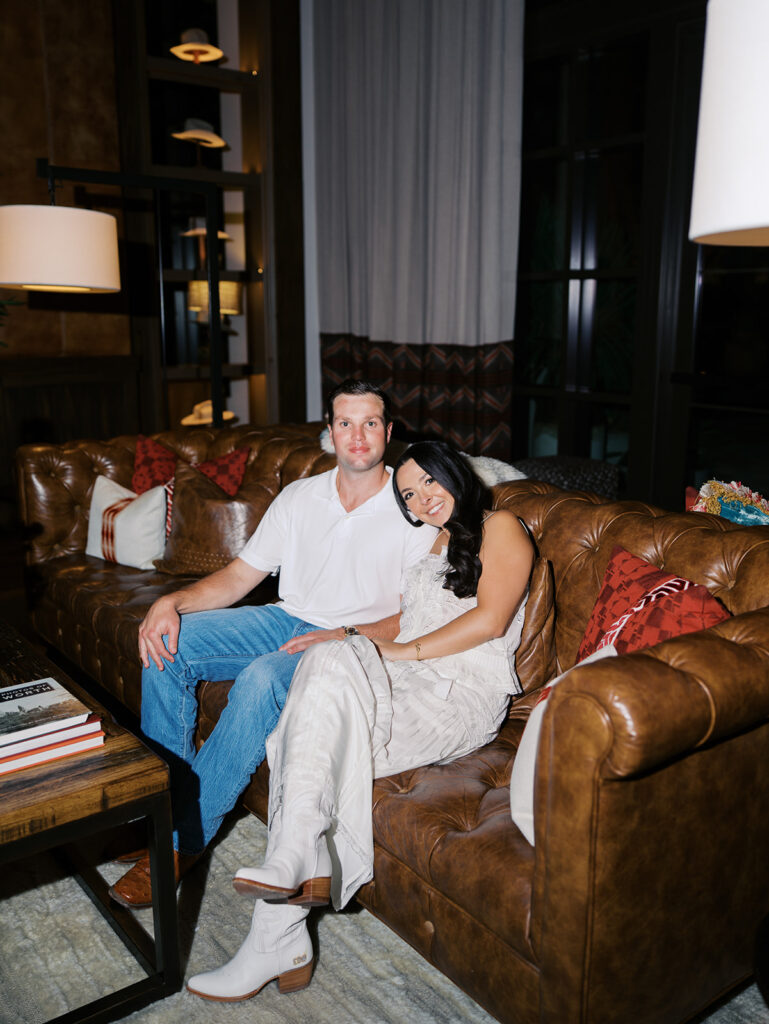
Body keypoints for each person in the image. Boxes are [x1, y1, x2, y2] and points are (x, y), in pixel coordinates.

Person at [185, 439, 535, 1002]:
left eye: (430, 483)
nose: (421, 500)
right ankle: (290, 887)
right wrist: (349, 636)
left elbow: (491, 621)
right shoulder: (435, 543)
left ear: (457, 475)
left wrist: (395, 653)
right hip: (408, 681)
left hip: (460, 694)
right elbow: (403, 619)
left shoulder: (504, 527)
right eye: (409, 494)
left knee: (297, 736)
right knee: (318, 670)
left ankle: (280, 923)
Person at [109, 380, 438, 908]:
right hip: (285, 618)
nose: (358, 436)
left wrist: (344, 633)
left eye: (370, 423)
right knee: (167, 642)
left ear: (389, 432)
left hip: (348, 644)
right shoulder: (300, 497)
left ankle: (179, 841)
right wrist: (172, 601)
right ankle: (164, 812)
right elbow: (240, 576)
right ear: (329, 432)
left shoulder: (413, 508)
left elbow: (417, 615)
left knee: (262, 679)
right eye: (346, 423)